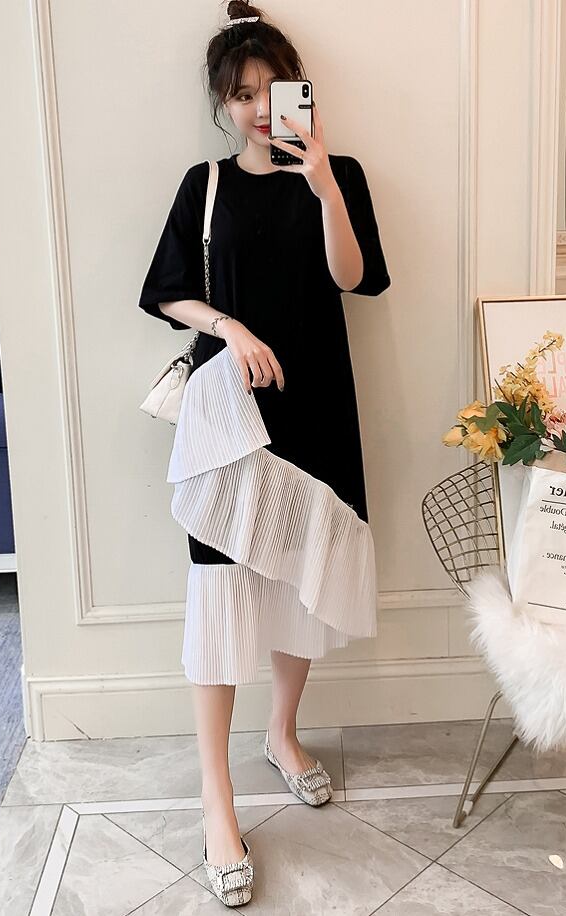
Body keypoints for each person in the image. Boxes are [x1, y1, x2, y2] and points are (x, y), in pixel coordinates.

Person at [138, 0, 390, 905]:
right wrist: (229, 326)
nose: (256, 108)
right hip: (231, 419)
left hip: (316, 406)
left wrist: (322, 185)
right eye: (241, 93)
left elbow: (352, 278)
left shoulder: (338, 172)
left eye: (272, 91)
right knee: (218, 594)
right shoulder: (203, 184)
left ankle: (282, 734)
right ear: (221, 101)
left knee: (298, 578)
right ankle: (218, 798)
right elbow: (165, 291)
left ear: (298, 95)